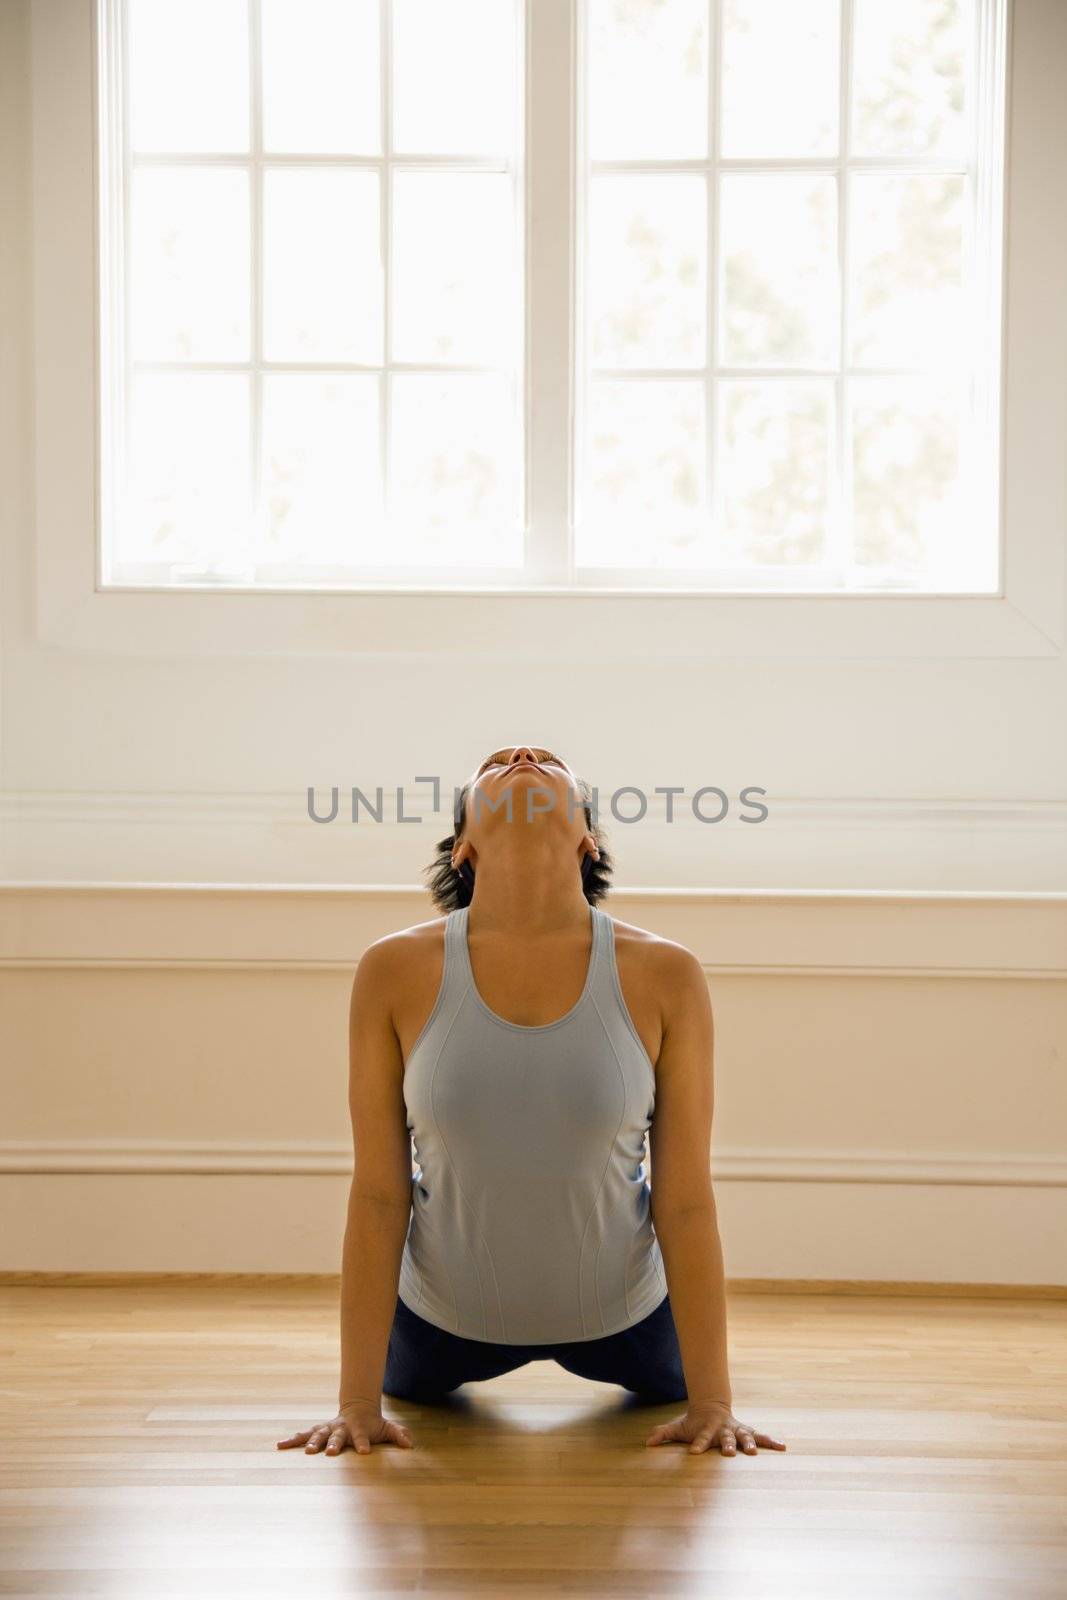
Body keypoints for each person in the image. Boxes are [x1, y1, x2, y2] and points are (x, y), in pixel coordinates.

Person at [277, 745, 787, 1460]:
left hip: (629, 1321)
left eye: (547, 762)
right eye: (496, 766)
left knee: (674, 1383)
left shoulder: (665, 973)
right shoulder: (392, 970)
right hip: (439, 1325)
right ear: (463, 848)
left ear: (588, 839)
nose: (521, 756)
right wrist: (355, 1405)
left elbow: (684, 1199)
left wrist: (715, 1404)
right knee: (403, 1387)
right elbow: (378, 1196)